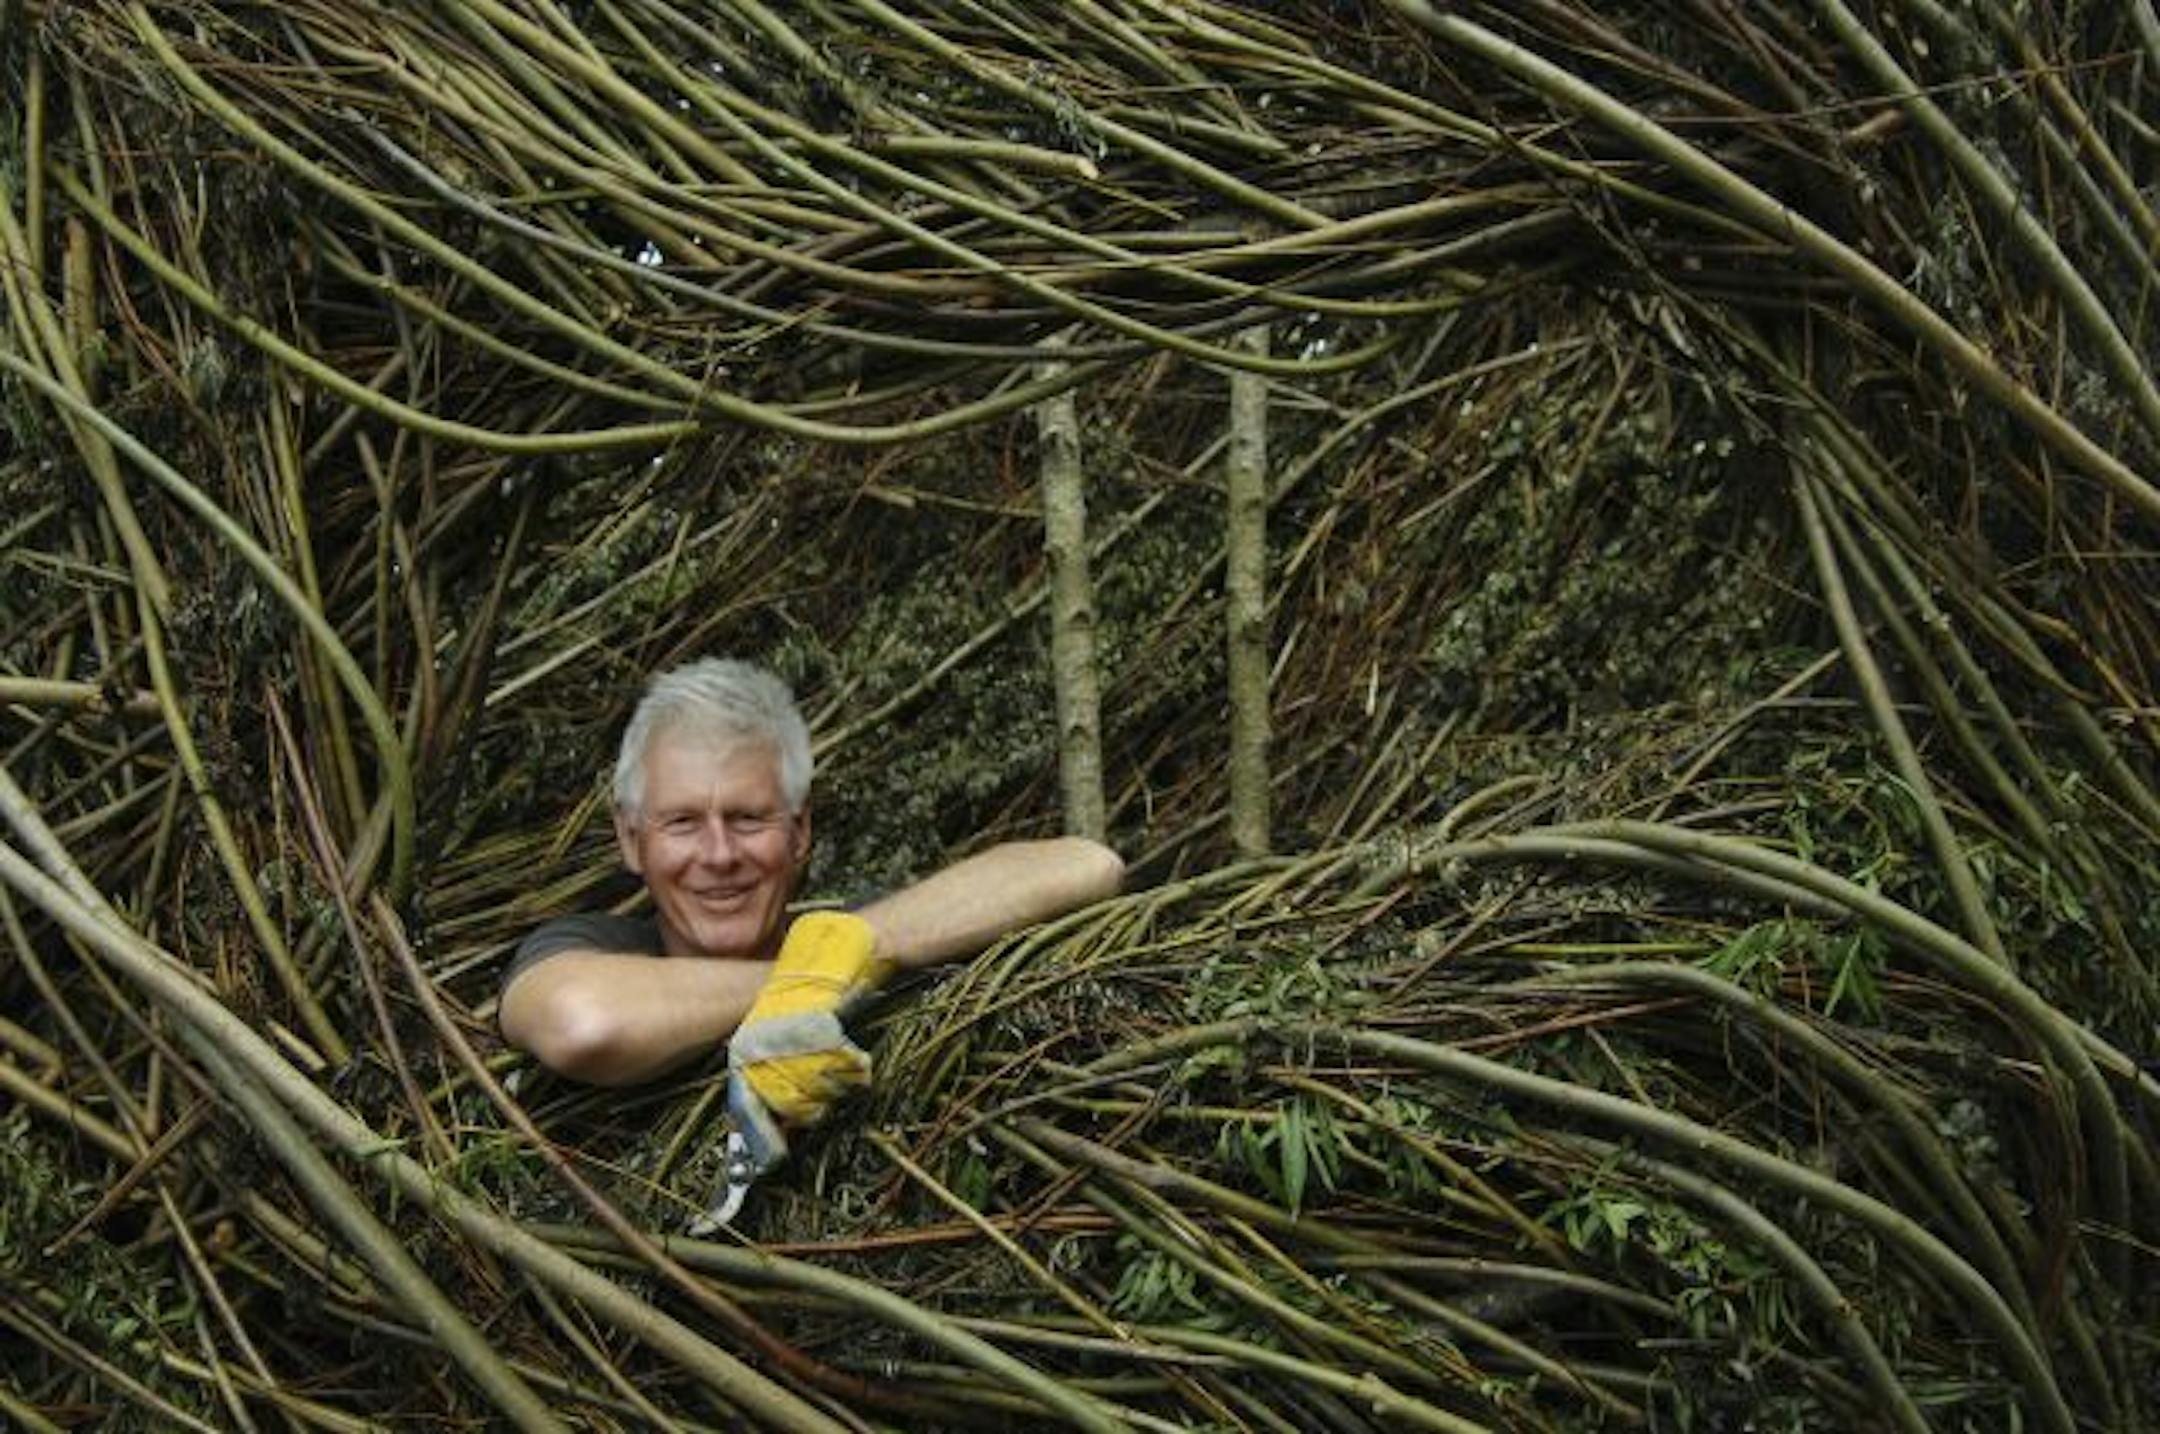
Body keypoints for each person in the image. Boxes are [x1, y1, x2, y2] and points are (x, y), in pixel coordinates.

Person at [499, 657, 1123, 1133]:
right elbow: (583, 1023)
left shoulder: (852, 936)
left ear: (799, 832)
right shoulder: (584, 947)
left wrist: (848, 948)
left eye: (748, 818)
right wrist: (815, 980)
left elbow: (1086, 865)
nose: (719, 855)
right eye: (682, 822)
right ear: (632, 841)